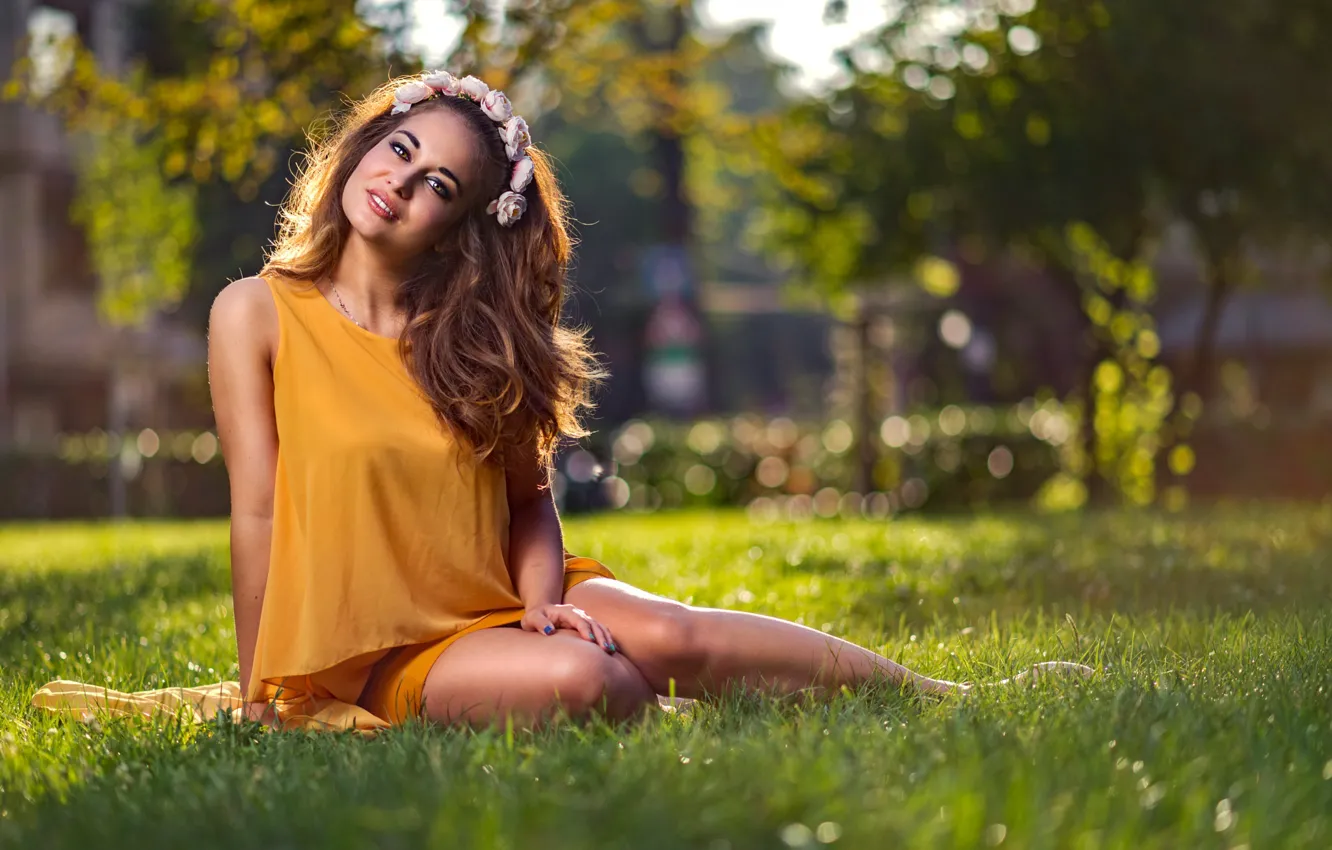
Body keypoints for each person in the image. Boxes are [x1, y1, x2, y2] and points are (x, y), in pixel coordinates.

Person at [199, 71, 1090, 733]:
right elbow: (257, 511)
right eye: (402, 149)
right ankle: (601, 687)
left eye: (440, 183)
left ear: (462, 222)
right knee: (593, 686)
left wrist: (543, 603)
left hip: (506, 593)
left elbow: (527, 500)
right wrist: (260, 690)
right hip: (387, 646)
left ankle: (950, 700)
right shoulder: (256, 314)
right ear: (364, 146)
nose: (403, 180)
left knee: (675, 634)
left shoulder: (468, 340)